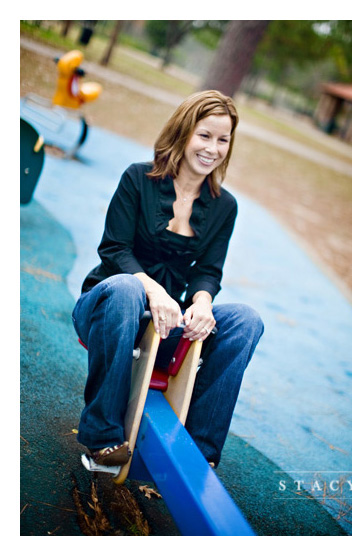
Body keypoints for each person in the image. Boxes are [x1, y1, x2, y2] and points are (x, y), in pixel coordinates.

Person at [72, 90, 264, 468]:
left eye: (223, 139)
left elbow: (208, 271)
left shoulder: (225, 206)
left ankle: (197, 453)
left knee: (246, 320)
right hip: (108, 307)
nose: (213, 148)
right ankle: (102, 437)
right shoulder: (138, 179)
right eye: (204, 135)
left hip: (163, 324)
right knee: (128, 288)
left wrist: (203, 303)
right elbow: (114, 249)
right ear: (183, 133)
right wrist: (154, 288)